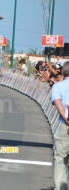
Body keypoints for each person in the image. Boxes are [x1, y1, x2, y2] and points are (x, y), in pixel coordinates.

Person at [51, 62, 69, 190]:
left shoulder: (58, 86)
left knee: (61, 161)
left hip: (65, 126)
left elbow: (58, 103)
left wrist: (67, 119)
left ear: (62, 72)